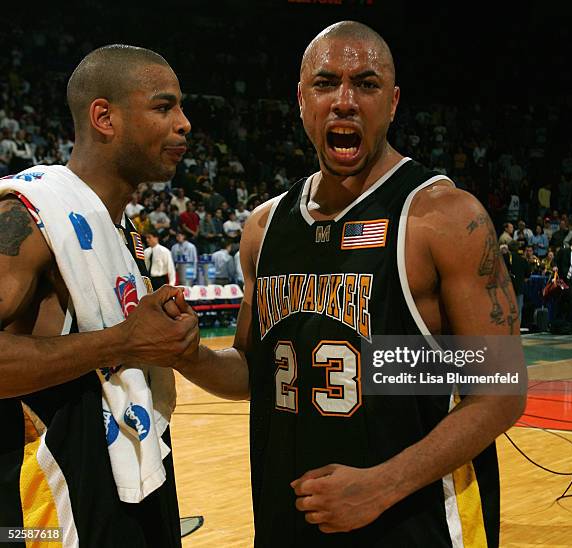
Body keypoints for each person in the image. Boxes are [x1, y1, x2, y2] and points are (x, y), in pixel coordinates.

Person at [171, 21, 525, 547]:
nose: (344, 100)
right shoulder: (264, 228)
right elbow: (254, 371)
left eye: (366, 83)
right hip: (288, 515)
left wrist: (382, 485)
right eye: (325, 82)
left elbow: (499, 391)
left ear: (394, 101)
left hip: (414, 519)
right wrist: (185, 354)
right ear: (300, 99)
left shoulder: (441, 217)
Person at [0, 45, 198, 547]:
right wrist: (124, 341)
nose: (184, 123)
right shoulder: (28, 214)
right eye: (163, 106)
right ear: (104, 117)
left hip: (126, 492)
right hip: (44, 514)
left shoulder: (123, 229)